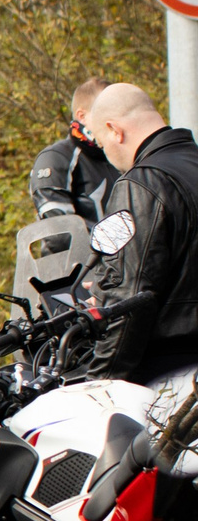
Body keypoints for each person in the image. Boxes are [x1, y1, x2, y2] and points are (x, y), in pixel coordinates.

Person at [80, 82, 198, 383]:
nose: (106, 153)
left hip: (170, 376)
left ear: (114, 130)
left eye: (102, 142)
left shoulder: (141, 183)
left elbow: (130, 300)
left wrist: (98, 385)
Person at [30, 77, 118, 221]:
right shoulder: (56, 157)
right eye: (106, 111)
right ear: (82, 116)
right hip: (85, 243)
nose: (114, 119)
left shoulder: (123, 157)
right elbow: (59, 233)